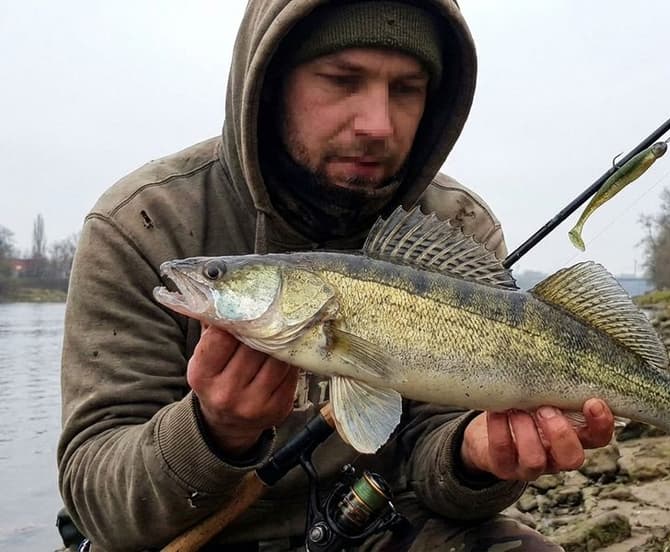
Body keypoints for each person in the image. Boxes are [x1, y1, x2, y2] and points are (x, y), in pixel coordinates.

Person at [58, 1, 615, 550]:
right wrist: (213, 431)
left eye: (407, 89)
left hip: (380, 526)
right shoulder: (143, 225)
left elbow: (441, 479)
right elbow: (98, 504)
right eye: (342, 80)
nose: (378, 123)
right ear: (271, 82)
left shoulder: (455, 226)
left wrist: (473, 459)